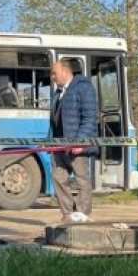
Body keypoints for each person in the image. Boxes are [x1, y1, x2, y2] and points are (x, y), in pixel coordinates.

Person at [49, 59, 98, 223]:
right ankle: (67, 213)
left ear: (65, 71)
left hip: (77, 145)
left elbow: (90, 118)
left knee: (81, 179)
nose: (52, 77)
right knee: (58, 177)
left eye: (54, 73)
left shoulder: (84, 87)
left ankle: (82, 214)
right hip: (59, 146)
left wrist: (80, 142)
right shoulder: (58, 93)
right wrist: (48, 142)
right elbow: (54, 122)